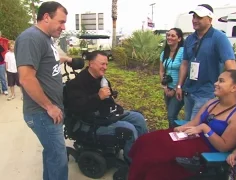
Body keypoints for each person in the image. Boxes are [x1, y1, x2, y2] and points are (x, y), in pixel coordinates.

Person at [128, 68, 236, 180]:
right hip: (191, 136)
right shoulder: (213, 102)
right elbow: (195, 122)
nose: (216, 83)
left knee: (156, 157)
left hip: (205, 150)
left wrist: (205, 128)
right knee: (147, 140)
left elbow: (224, 147)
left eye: (221, 81)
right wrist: (181, 128)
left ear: (234, 88)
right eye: (217, 80)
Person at [15, 2, 72, 180]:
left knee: (52, 155)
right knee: (58, 157)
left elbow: (46, 61)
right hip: (42, 112)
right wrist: (50, 106)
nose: (63, 27)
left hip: (48, 111)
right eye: (61, 22)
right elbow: (26, 78)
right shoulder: (31, 38)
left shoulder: (45, 38)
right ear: (46, 17)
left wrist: (65, 59)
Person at [65, 50, 148, 163]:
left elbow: (109, 100)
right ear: (91, 63)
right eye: (102, 64)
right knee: (128, 129)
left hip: (106, 115)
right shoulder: (77, 83)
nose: (105, 67)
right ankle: (133, 163)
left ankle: (145, 153)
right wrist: (98, 97)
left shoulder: (102, 80)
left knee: (138, 118)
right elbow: (76, 109)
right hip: (89, 123)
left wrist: (112, 100)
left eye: (107, 64)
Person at [175, 4, 236, 122]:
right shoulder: (190, 39)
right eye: (194, 17)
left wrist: (230, 91)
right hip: (189, 90)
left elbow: (230, 64)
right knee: (188, 122)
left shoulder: (219, 37)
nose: (194, 20)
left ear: (210, 19)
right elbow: (184, 63)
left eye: (199, 17)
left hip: (206, 93)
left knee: (193, 128)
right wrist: (179, 86)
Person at [159, 28, 184, 128]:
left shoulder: (183, 52)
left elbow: (184, 71)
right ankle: (171, 134)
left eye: (173, 36)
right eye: (168, 35)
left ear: (179, 39)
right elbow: (161, 71)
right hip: (167, 88)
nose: (169, 37)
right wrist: (165, 87)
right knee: (170, 114)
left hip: (178, 89)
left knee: (171, 115)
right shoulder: (164, 53)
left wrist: (175, 89)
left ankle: (176, 134)